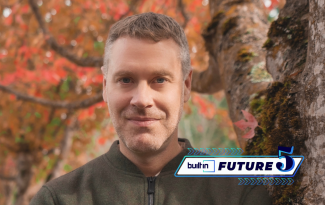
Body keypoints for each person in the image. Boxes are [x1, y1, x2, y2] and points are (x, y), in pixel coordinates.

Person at [30, 12, 271, 205]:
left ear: (186, 86)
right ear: (105, 87)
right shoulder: (58, 199)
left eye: (160, 80)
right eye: (126, 80)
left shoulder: (240, 193)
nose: (142, 99)